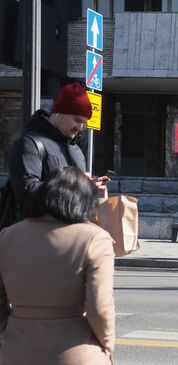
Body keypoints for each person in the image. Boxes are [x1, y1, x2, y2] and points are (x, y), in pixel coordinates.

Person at [0, 166, 115, 364]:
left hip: (15, 351)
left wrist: (9, 333)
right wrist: (107, 345)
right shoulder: (94, 238)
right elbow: (99, 308)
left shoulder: (7, 236)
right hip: (75, 351)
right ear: (84, 201)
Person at [7, 83, 109, 222]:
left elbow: (76, 198)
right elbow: (26, 192)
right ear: (58, 112)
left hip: (71, 233)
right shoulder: (30, 144)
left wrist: (89, 188)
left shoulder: (75, 150)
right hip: (40, 235)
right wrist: (75, 186)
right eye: (77, 120)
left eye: (84, 123)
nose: (80, 127)